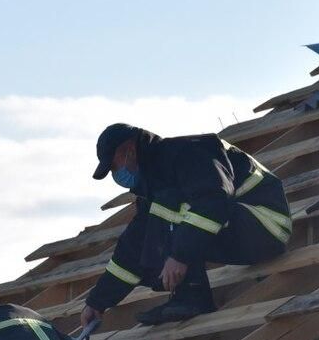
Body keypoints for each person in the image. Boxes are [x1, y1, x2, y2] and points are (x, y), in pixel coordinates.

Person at [81, 123, 291, 327]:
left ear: (130, 150)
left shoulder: (187, 153)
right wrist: (97, 302)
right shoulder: (155, 183)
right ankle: (186, 295)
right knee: (150, 238)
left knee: (174, 209)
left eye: (114, 165)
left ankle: (192, 296)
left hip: (265, 225)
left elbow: (214, 201)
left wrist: (179, 256)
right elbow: (134, 245)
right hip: (241, 232)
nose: (116, 174)